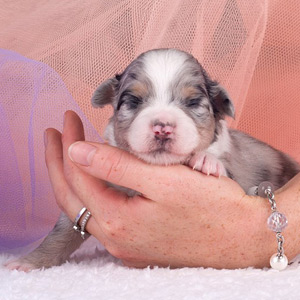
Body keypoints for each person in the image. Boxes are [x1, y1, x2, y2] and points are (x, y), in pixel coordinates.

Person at [44, 110, 300, 269]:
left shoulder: (219, 153)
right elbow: (86, 207)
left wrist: (273, 233)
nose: (162, 127)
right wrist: (45, 255)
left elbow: (230, 198)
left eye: (190, 104)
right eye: (135, 101)